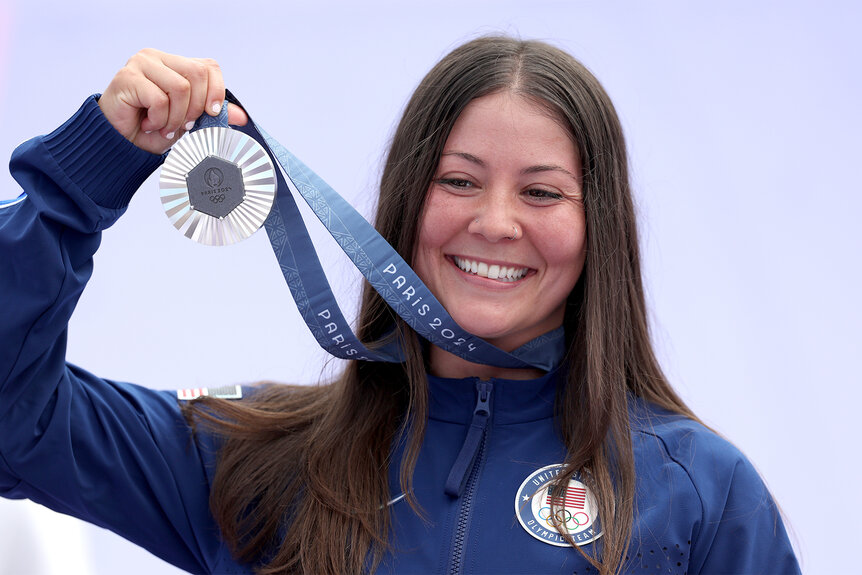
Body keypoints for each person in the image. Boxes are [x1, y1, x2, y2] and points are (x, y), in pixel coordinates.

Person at [0, 37, 800, 575]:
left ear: (599, 231)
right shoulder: (257, 461)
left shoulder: (696, 490)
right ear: (405, 204)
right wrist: (86, 173)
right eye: (458, 180)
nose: (494, 221)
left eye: (543, 192)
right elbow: (14, 419)